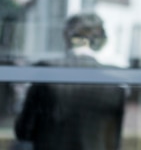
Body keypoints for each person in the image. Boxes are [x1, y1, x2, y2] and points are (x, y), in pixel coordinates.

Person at [14, 12, 126, 150]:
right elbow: (112, 143)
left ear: (68, 35)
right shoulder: (114, 86)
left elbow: (24, 130)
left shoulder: (47, 71)